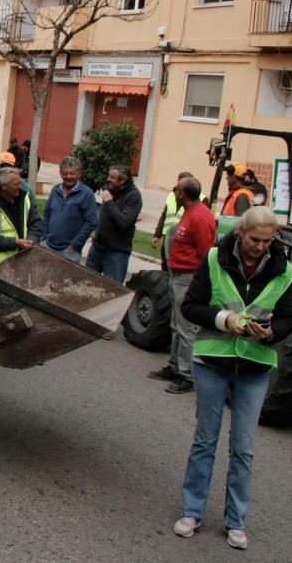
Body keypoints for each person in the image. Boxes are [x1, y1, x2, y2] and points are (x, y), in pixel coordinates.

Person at [173, 206, 292, 550]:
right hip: (213, 361)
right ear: (241, 233)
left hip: (255, 368)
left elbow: (288, 320)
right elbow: (191, 306)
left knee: (243, 448)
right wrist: (225, 319)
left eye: (267, 241)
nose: (261, 247)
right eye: (255, 240)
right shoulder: (215, 258)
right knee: (205, 441)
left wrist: (270, 333)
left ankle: (235, 521)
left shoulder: (282, 270)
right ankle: (192, 511)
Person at [149, 176, 217, 394]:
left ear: (182, 194)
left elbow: (207, 254)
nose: (173, 191)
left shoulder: (200, 217)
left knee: (186, 328)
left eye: (175, 189)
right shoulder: (189, 211)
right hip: (177, 275)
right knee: (175, 324)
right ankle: (174, 366)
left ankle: (186, 375)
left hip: (188, 278)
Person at [0, 167, 42, 270]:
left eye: (20, 183)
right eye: (16, 184)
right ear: (4, 187)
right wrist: (15, 242)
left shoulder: (24, 200)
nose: (19, 187)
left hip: (23, 261)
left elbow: (35, 223)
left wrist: (31, 240)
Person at [87, 165, 142, 284]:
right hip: (97, 249)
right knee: (85, 284)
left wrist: (109, 202)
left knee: (112, 292)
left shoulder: (133, 196)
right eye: (108, 175)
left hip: (116, 254)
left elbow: (124, 222)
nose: (108, 179)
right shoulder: (111, 189)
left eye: (112, 177)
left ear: (122, 181)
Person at [41, 156, 96, 263]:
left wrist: (75, 246)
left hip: (69, 252)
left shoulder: (86, 194)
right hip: (47, 246)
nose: (68, 177)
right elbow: (47, 213)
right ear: (60, 173)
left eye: (72, 173)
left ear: (79, 173)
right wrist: (44, 237)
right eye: (65, 173)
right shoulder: (55, 190)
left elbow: (91, 222)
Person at [152, 170, 194, 270]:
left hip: (182, 238)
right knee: (165, 266)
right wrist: (157, 235)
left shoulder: (199, 198)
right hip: (167, 237)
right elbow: (164, 216)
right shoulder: (171, 196)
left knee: (177, 267)